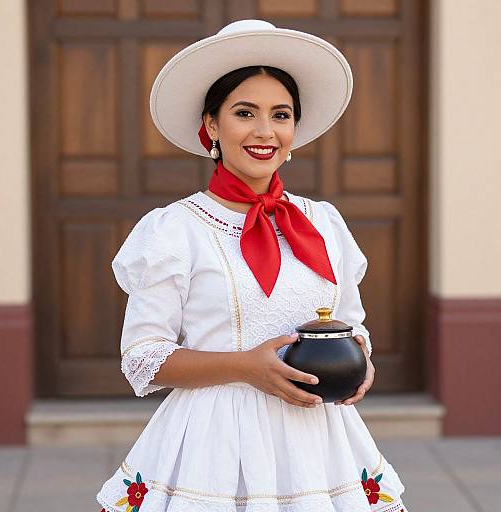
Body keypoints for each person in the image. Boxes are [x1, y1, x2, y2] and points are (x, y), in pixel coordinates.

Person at [96, 19, 408, 512]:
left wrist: (360, 363)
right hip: (214, 445)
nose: (266, 132)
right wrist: (245, 367)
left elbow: (352, 325)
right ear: (212, 126)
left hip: (320, 445)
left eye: (280, 115)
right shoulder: (175, 229)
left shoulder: (322, 222)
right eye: (245, 113)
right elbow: (142, 357)